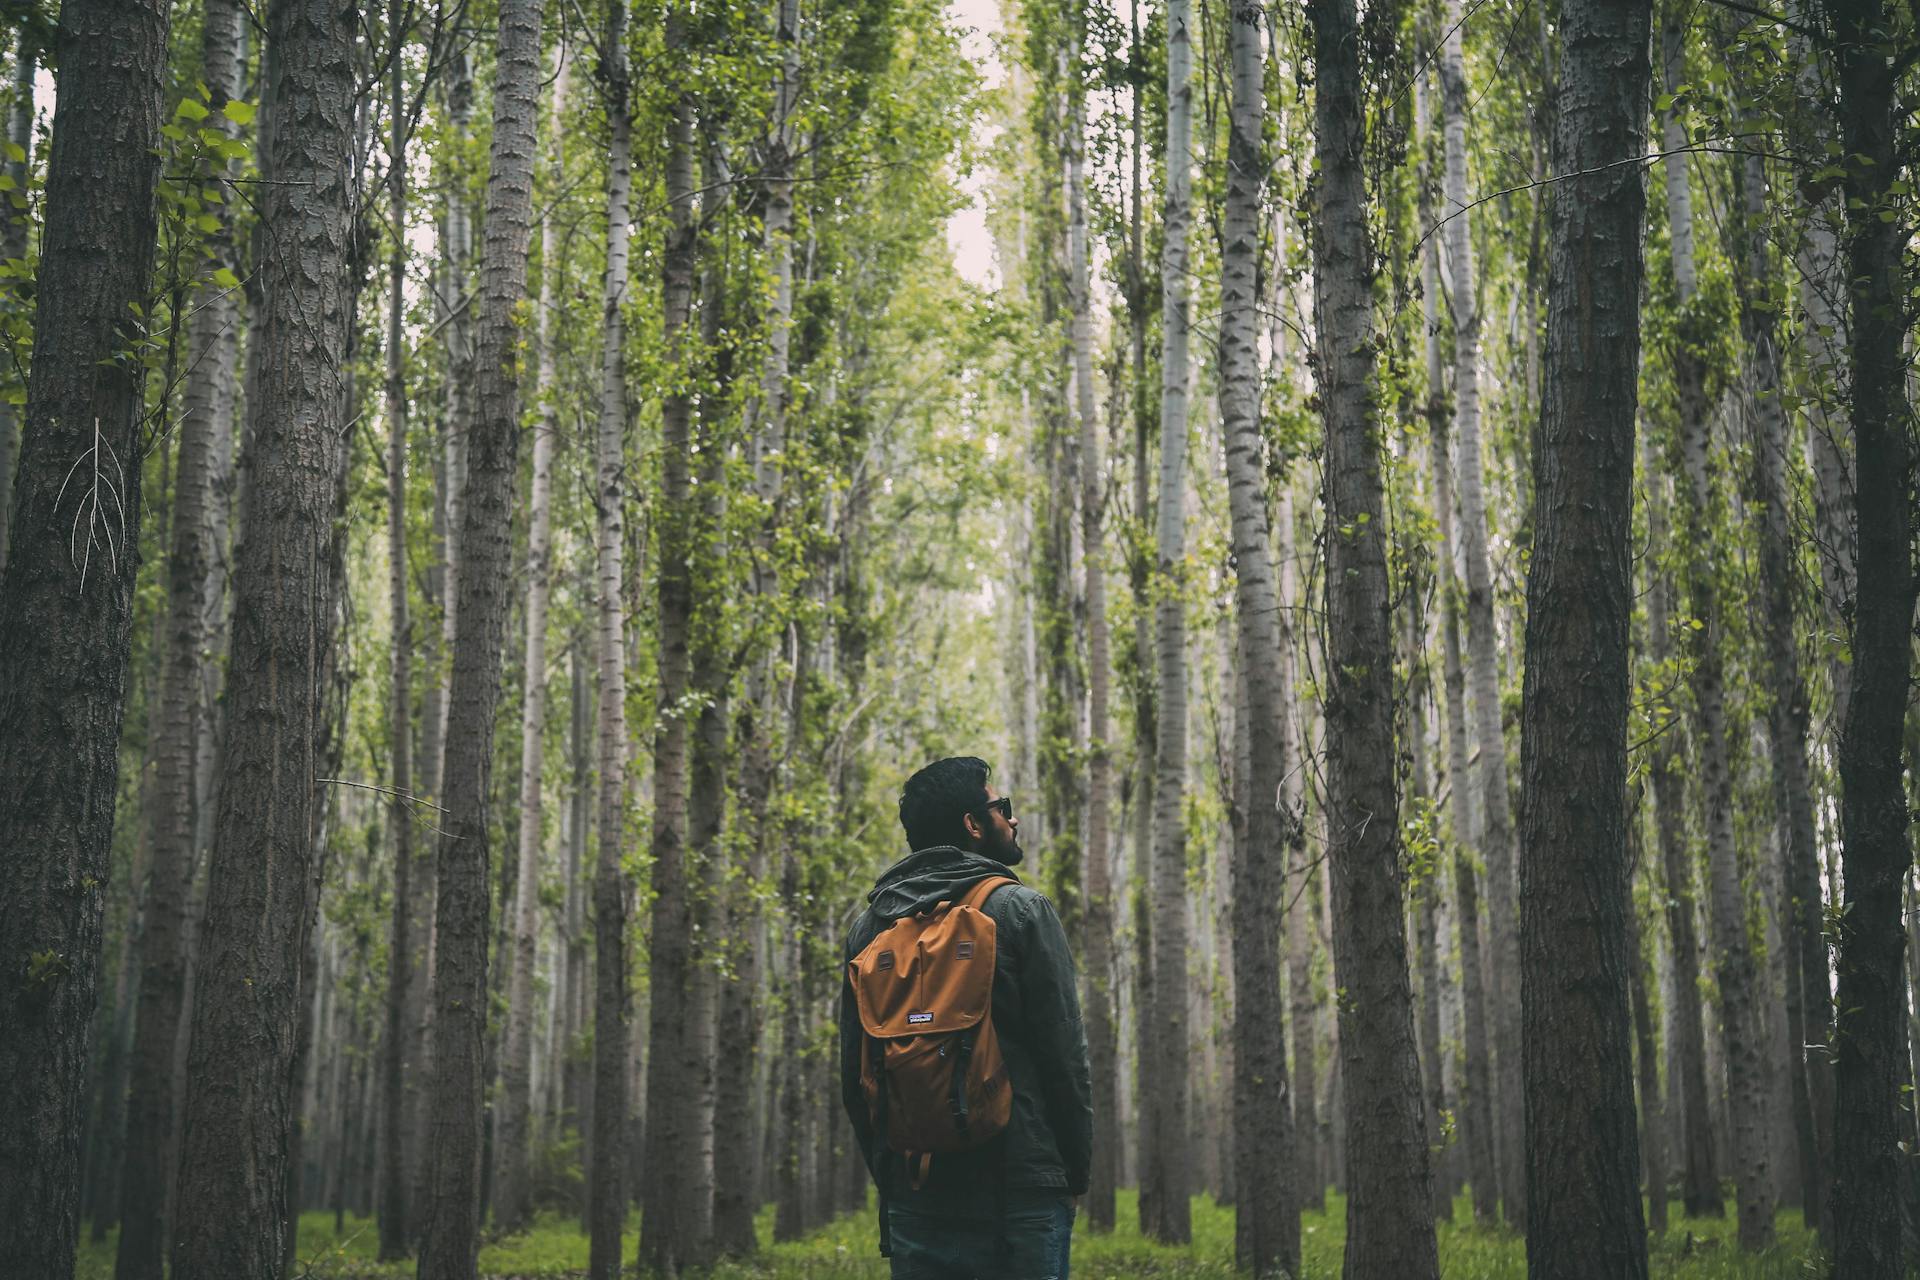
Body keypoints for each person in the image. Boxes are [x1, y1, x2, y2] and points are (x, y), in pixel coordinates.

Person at [839, 756, 1093, 1280]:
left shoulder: (869, 931)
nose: (1013, 819)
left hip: (919, 1188)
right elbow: (1064, 1058)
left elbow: (855, 1077)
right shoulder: (1021, 910)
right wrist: (1069, 1173)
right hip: (1021, 1187)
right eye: (1002, 807)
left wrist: (892, 1182)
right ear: (973, 825)